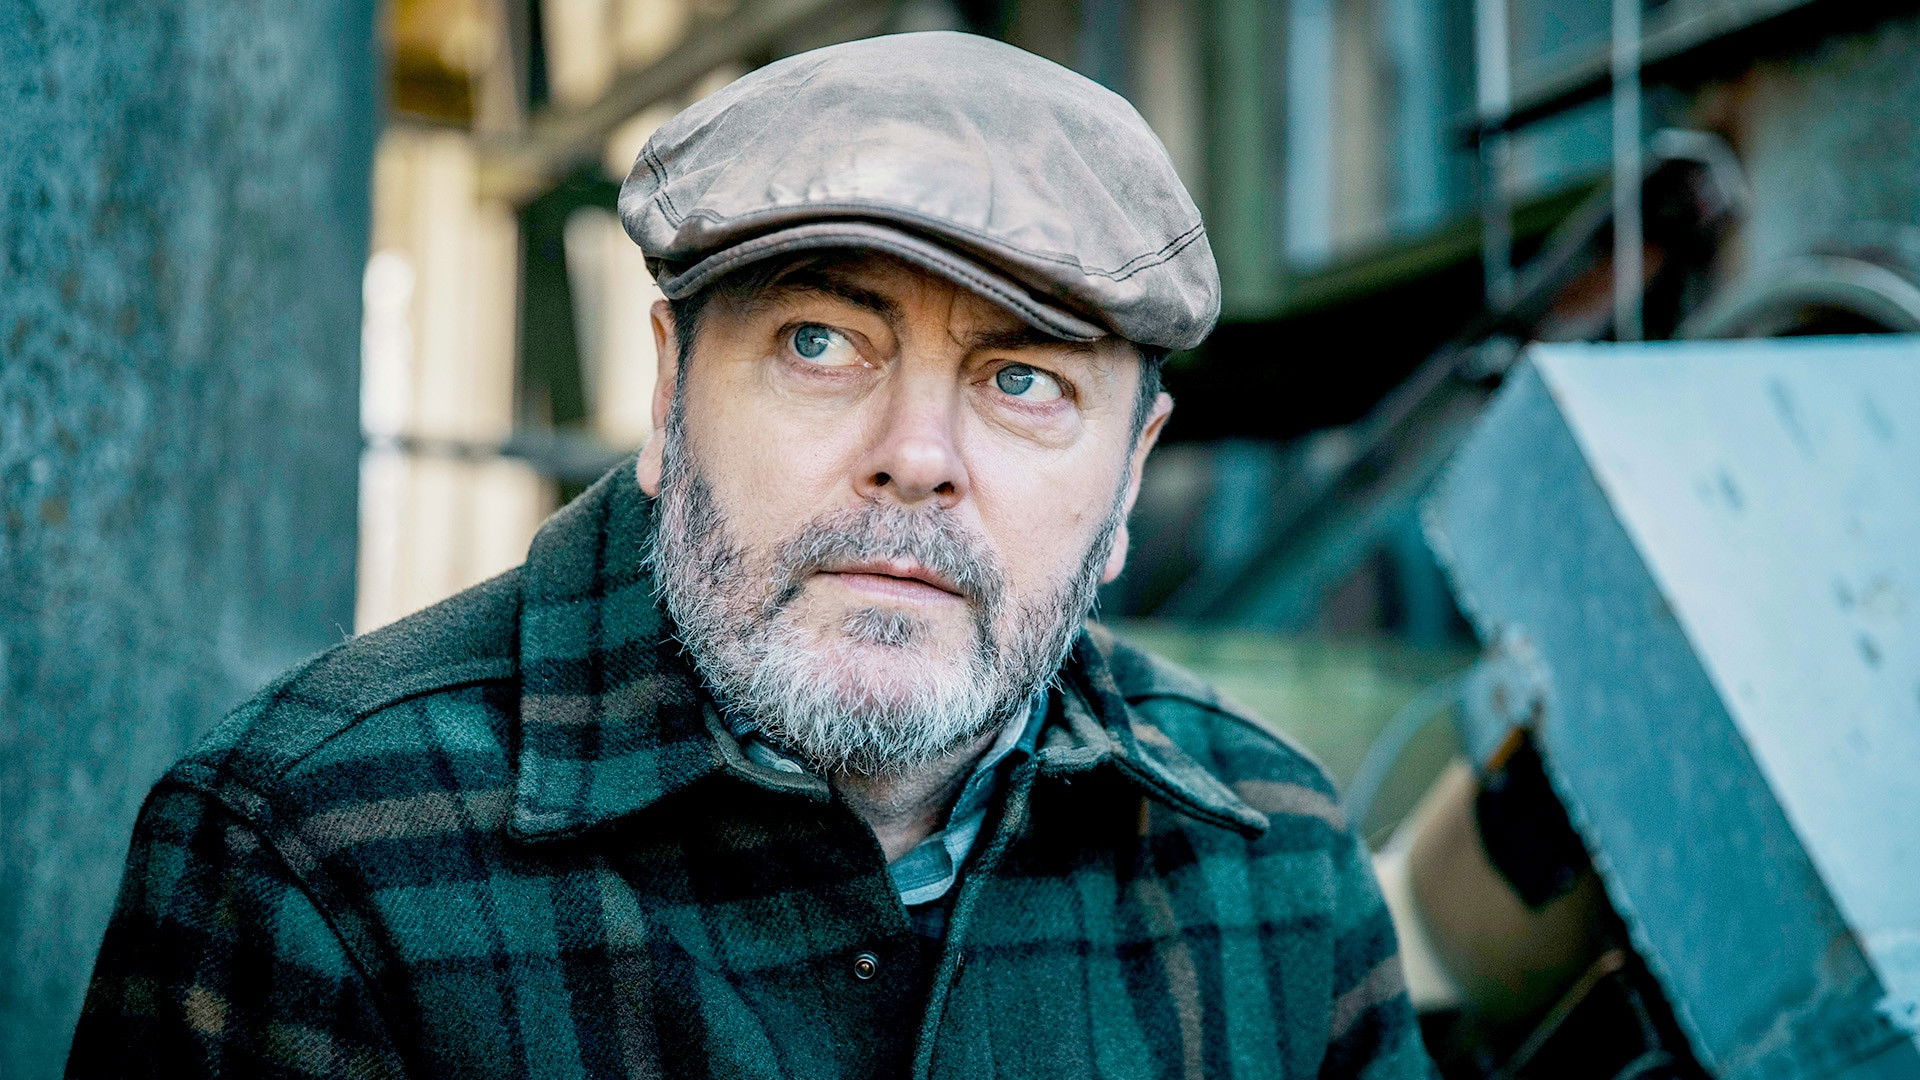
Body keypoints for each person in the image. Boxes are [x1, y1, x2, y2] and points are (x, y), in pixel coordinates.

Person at [69, 31, 1429, 1080]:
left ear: (1129, 473)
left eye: (1024, 381)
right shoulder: (314, 854)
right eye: (821, 343)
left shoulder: (1275, 866)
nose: (917, 455)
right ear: (669, 391)